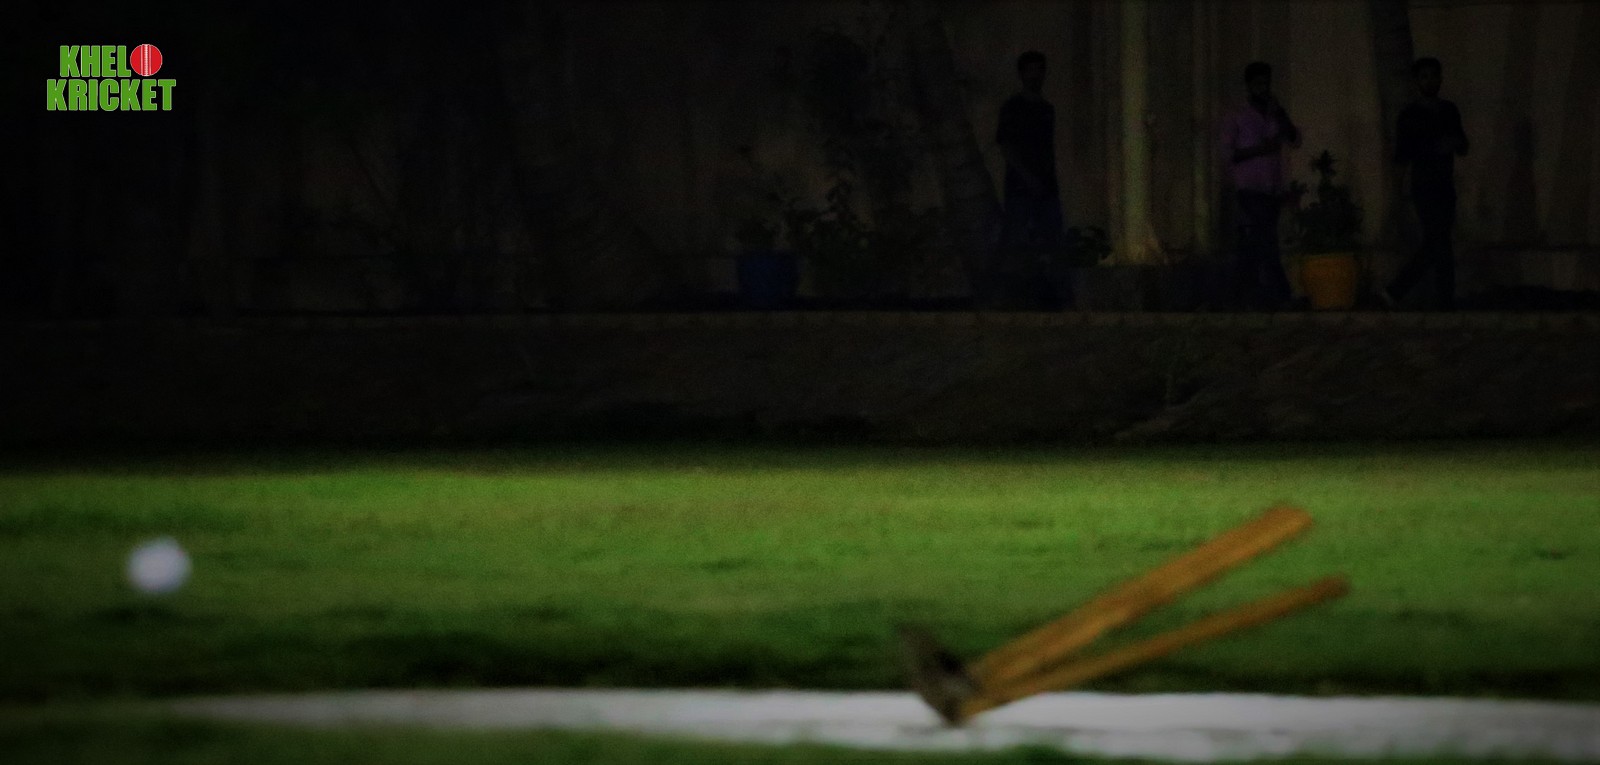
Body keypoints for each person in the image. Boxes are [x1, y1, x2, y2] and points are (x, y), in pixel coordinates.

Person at [1381, 57, 1469, 311]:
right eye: (1424, 77)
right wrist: (1397, 192)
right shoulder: (1409, 116)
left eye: (1433, 76)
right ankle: (1399, 290)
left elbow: (1463, 145)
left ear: (1440, 78)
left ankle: (1442, 300)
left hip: (1445, 185)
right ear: (1417, 81)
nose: (1429, 81)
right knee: (1437, 241)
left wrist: (1453, 143)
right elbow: (1402, 157)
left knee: (1440, 242)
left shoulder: (1449, 110)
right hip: (1424, 186)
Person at [1220, 61, 1301, 311]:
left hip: (1271, 188)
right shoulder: (1237, 116)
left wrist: (1280, 113)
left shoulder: (1273, 114)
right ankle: (1283, 294)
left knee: (1252, 245)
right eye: (1257, 83)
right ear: (1249, 85)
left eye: (1265, 83)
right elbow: (1228, 154)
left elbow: (1294, 138)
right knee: (1267, 240)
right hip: (1249, 188)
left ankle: (1237, 297)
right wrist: (1259, 150)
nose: (1262, 88)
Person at [995, 50, 1064, 308]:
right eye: (1030, 70)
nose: (1035, 76)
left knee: (1052, 242)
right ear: (1021, 74)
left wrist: (1045, 181)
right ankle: (1007, 299)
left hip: (1046, 187)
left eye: (1039, 70)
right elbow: (1006, 146)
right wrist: (1027, 177)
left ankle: (1053, 299)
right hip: (1020, 188)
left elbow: (1047, 150)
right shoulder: (1013, 108)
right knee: (1015, 242)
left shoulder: (1047, 110)